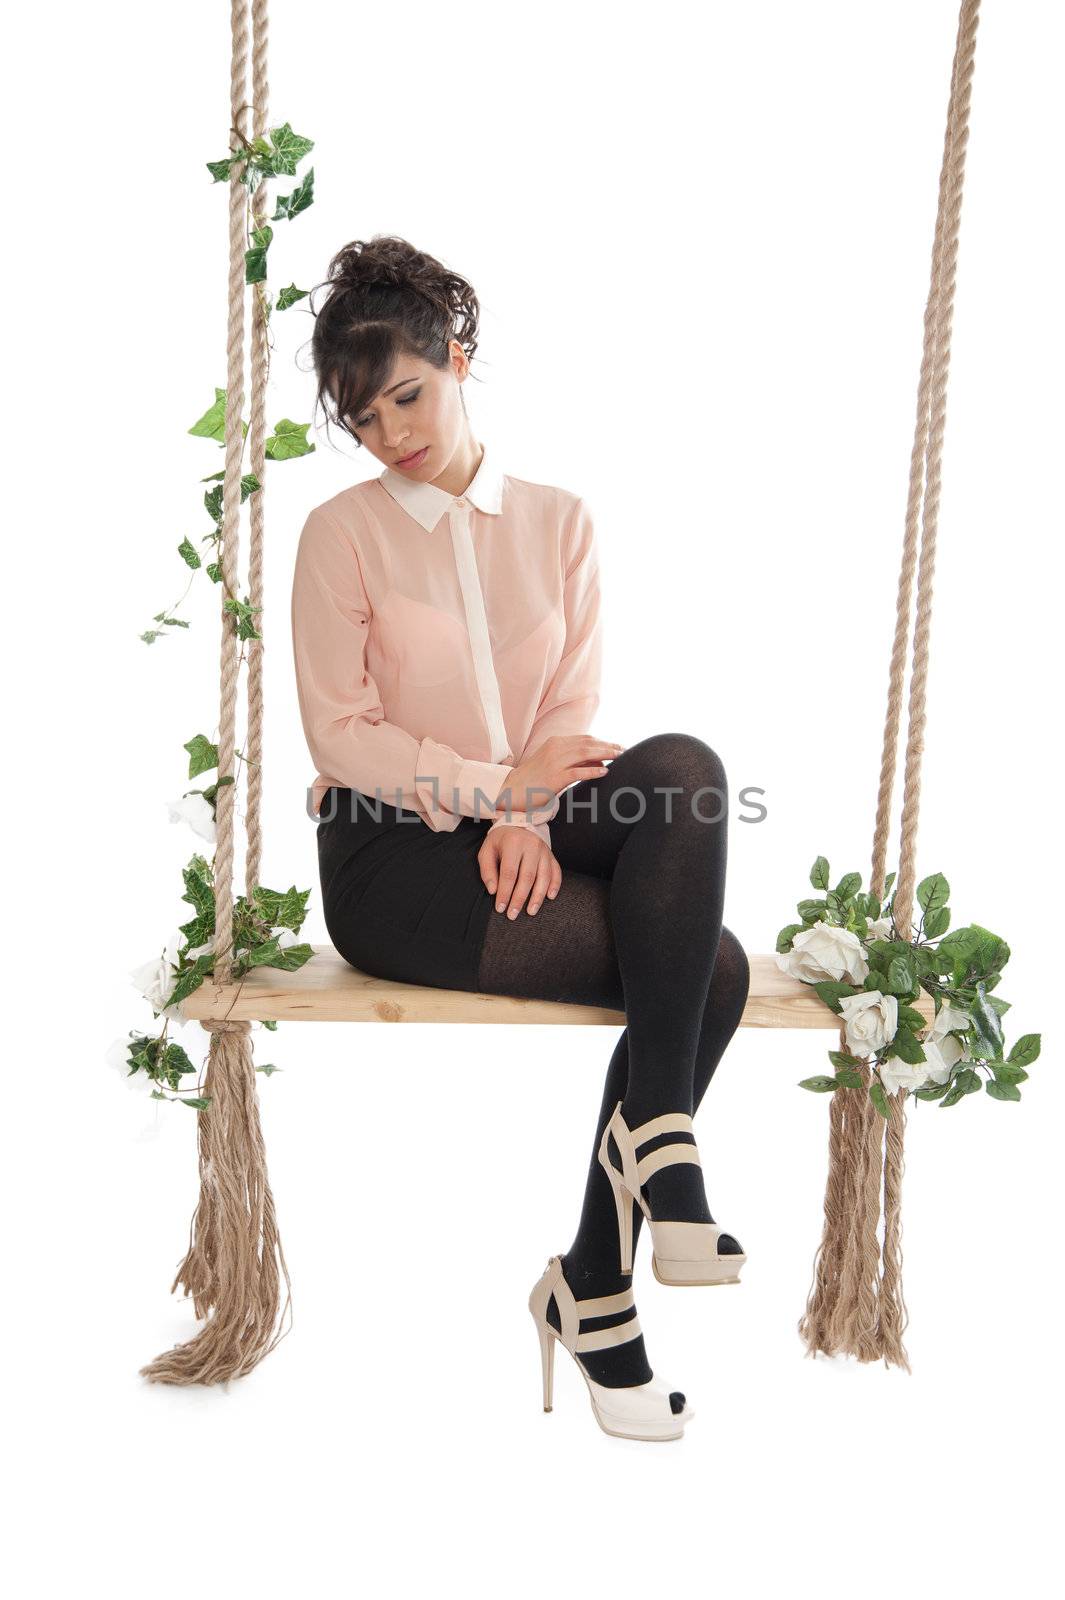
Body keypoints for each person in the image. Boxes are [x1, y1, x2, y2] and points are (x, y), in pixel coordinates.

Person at [290, 234, 751, 1443]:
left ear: (459, 357)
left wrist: (532, 809)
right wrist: (501, 794)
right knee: (709, 972)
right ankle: (607, 1271)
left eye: (409, 394)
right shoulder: (340, 537)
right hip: (391, 854)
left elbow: (569, 721)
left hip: (521, 818)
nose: (393, 432)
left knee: (681, 774)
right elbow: (344, 736)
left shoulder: (559, 522)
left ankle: (621, 1219)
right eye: (365, 416)